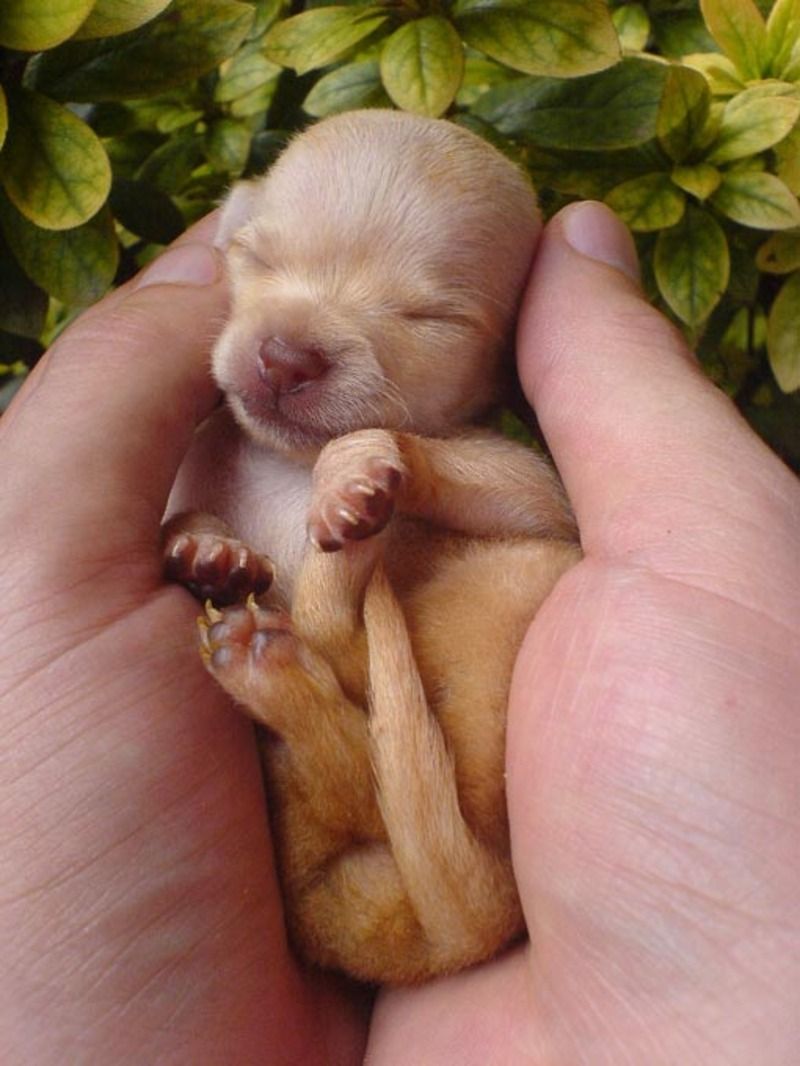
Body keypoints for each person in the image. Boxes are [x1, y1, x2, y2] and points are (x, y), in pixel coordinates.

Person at [0, 202, 797, 1065]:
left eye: (425, 314)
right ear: (227, 237)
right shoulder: (192, 457)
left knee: (529, 577)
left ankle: (308, 698)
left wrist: (417, 467)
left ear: (504, 358)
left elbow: (536, 515)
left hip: (489, 822)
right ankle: (312, 706)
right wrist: (191, 535)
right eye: (263, 258)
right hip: (321, 886)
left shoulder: (448, 449)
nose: (289, 347)